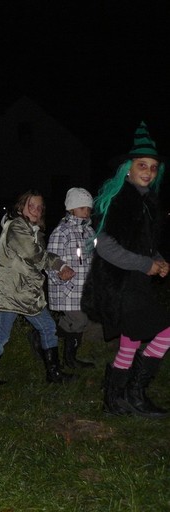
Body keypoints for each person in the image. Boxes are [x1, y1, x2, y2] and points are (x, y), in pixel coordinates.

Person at [82, 121, 170, 418]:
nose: (148, 172)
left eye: (153, 167)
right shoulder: (119, 200)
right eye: (142, 165)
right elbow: (105, 247)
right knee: (165, 331)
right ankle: (135, 393)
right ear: (127, 169)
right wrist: (146, 264)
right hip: (119, 285)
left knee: (130, 343)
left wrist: (158, 259)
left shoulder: (147, 202)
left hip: (135, 284)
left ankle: (115, 398)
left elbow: (143, 245)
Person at [0, 190, 76, 385]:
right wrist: (59, 265)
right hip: (14, 292)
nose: (35, 210)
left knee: (40, 328)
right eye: (31, 206)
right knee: (11, 333)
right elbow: (34, 254)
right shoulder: (16, 227)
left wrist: (58, 267)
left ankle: (52, 374)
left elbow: (37, 258)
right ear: (21, 207)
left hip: (23, 292)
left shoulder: (33, 231)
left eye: (39, 207)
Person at [45, 187, 96, 369]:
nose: (86, 212)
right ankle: (69, 359)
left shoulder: (90, 232)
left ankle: (46, 336)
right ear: (71, 208)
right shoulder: (62, 232)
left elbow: (93, 257)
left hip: (84, 289)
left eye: (88, 208)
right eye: (82, 208)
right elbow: (50, 259)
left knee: (79, 321)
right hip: (67, 289)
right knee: (79, 320)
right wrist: (60, 273)